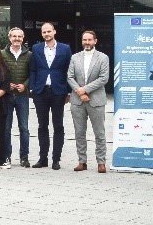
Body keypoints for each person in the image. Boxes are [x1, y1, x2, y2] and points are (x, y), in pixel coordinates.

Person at [29, 22, 72, 170]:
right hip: (40, 91)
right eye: (44, 32)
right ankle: (43, 158)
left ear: (54, 32)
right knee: (42, 126)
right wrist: (33, 89)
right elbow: (33, 70)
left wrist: (68, 91)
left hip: (58, 91)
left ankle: (56, 159)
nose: (46, 34)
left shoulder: (65, 49)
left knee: (58, 125)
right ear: (41, 34)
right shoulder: (36, 48)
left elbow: (68, 71)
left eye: (49, 31)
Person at [66, 30, 110, 173]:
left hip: (96, 100)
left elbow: (104, 78)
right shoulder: (75, 57)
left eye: (90, 40)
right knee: (79, 132)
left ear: (95, 41)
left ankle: (101, 162)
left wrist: (84, 90)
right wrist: (79, 91)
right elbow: (70, 77)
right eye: (84, 40)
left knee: (99, 133)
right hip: (77, 101)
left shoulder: (103, 58)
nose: (87, 42)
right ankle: (82, 161)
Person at [2, 27, 31, 167]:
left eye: (19, 36)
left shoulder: (29, 55)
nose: (17, 39)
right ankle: (6, 156)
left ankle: (24, 157)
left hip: (23, 96)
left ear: (23, 38)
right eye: (14, 36)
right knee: (6, 127)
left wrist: (25, 85)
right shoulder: (2, 54)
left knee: (24, 127)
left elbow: (33, 74)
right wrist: (7, 85)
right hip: (7, 96)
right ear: (9, 38)